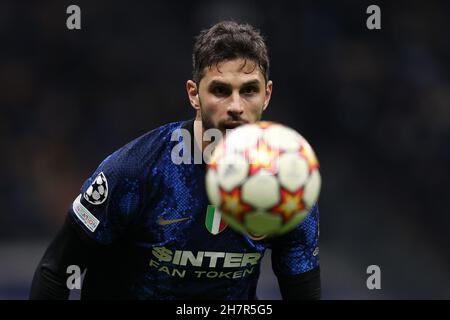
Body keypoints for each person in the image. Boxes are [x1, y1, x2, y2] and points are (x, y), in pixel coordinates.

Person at [29, 20, 321, 300]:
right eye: (220, 90)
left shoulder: (288, 186)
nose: (236, 106)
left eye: (249, 91)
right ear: (194, 94)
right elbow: (55, 273)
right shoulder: (135, 171)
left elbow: (302, 291)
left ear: (266, 95)